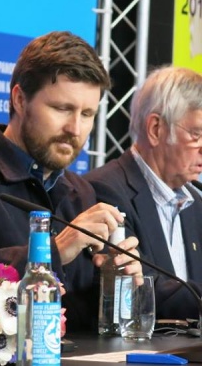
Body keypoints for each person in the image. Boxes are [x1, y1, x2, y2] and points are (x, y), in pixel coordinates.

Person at [0, 31, 142, 331]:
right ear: (19, 99)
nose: (74, 128)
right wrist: (52, 252)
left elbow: (80, 320)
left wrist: (113, 282)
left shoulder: (83, 193)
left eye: (87, 114)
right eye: (62, 109)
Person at [85, 66, 202, 320]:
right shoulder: (104, 191)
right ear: (156, 129)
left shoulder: (197, 203)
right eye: (197, 134)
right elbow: (138, 284)